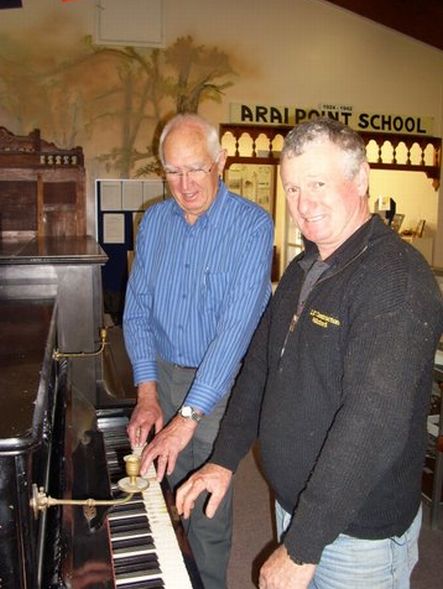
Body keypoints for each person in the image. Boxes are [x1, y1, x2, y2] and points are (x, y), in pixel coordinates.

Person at [176, 117, 443, 589]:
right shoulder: (304, 267)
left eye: (318, 183)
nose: (304, 203)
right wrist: (223, 458)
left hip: (354, 535)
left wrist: (303, 545)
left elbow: (373, 422)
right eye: (294, 187)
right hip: (297, 507)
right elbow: (259, 369)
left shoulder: (396, 281)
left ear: (360, 180)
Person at [123, 113, 274, 589]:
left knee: (202, 503)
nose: (185, 185)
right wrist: (147, 392)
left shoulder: (252, 226)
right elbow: (136, 311)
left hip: (221, 383)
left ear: (220, 162)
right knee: (155, 492)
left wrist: (187, 417)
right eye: (172, 171)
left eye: (196, 169)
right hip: (164, 374)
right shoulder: (154, 222)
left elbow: (234, 331)